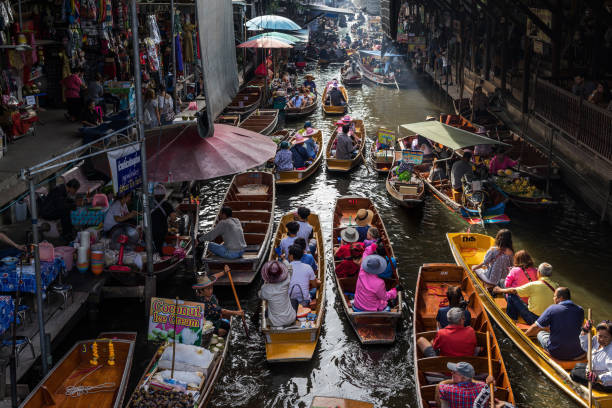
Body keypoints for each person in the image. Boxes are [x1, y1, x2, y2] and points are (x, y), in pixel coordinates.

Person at [524, 287, 585, 361]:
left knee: (540, 333)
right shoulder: (580, 310)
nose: (553, 298)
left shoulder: (552, 309)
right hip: (577, 352)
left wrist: (524, 335)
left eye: (554, 296)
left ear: (560, 298)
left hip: (557, 352)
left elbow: (535, 327)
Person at [493, 262, 558, 325]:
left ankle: (512, 319)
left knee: (511, 295)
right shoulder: (556, 286)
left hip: (533, 319)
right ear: (550, 274)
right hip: (547, 319)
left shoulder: (534, 285)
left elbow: (513, 291)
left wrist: (500, 290)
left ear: (539, 272)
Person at [193, 271, 244, 336]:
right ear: (201, 291)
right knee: (223, 331)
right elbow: (222, 311)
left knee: (226, 325)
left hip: (213, 319)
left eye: (211, 288)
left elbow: (215, 276)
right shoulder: (203, 302)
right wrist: (237, 313)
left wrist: (224, 272)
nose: (211, 291)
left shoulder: (206, 296)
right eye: (208, 289)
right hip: (206, 325)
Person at [571, 320, 612, 391]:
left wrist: (598, 378)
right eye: (600, 336)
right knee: (578, 366)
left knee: (574, 373)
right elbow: (585, 346)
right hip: (594, 370)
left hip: (605, 383)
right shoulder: (596, 339)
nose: (602, 339)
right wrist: (585, 331)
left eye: (606, 337)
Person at [259, 260, 296, 327]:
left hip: (275, 323)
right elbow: (290, 269)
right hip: (291, 319)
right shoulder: (286, 281)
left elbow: (260, 295)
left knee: (266, 310)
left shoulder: (265, 289)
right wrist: (284, 260)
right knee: (294, 300)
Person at [288, 245, 320, 310]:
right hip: (304, 301)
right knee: (315, 289)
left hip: (288, 301)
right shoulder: (308, 267)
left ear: (291, 256)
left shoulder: (284, 268)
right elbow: (314, 285)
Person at [151, 184, 176, 256]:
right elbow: (173, 218)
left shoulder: (149, 203)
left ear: (154, 195)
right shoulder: (167, 204)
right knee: (160, 246)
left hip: (149, 230)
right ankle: (160, 256)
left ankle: (153, 256)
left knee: (152, 245)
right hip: (161, 231)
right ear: (164, 194)